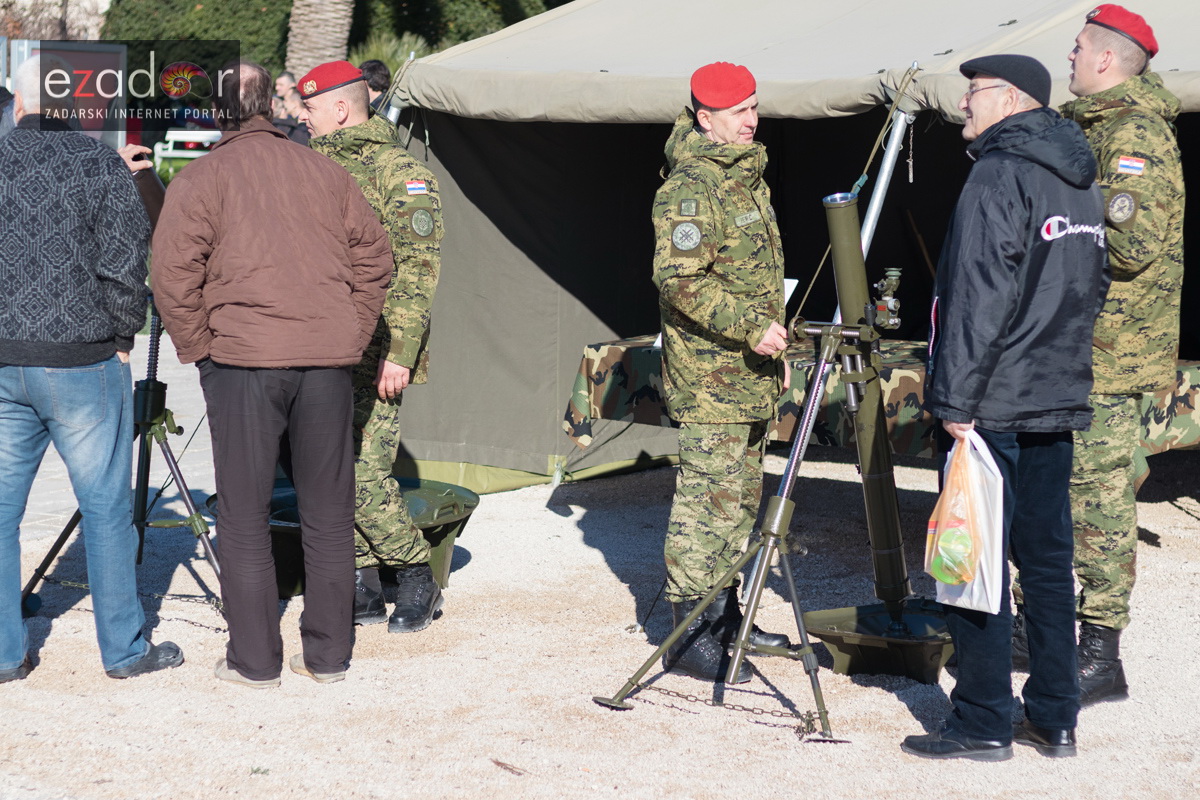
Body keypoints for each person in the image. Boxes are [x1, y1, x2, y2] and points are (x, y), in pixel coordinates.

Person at [151, 61, 394, 687]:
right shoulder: (325, 171)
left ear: (213, 113)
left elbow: (171, 278)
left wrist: (202, 350)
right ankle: (329, 657)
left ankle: (255, 662)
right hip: (322, 360)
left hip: (244, 361)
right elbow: (375, 257)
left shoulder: (201, 179)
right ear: (275, 105)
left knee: (242, 514)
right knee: (328, 510)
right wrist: (351, 330)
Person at [901, 55, 1109, 761]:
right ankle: (1055, 716)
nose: (963, 102)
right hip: (1056, 392)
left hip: (994, 400)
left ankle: (982, 720)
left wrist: (953, 396)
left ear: (1011, 99)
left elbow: (974, 296)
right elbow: (1092, 287)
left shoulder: (999, 171)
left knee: (970, 559)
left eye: (975, 91)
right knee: (1048, 561)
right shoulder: (1078, 175)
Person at [0, 55, 183, 681]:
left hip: (2, 361)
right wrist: (123, 332)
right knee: (106, 507)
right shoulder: (98, 164)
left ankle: (3, 654)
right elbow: (127, 264)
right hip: (83, 362)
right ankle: (125, 651)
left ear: (19, 105)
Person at [1058, 4, 1184, 706]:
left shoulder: (1134, 136)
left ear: (1106, 60)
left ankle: (1102, 651)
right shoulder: (1093, 129)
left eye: (1078, 49)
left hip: (1111, 352)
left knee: (1098, 500)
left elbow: (1131, 245)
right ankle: (1036, 627)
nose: (1070, 59)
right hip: (1075, 348)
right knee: (1054, 489)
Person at [651, 61, 791, 684]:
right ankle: (689, 632)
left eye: (754, 108)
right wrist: (750, 329)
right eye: (739, 113)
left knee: (738, 505)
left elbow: (758, 277)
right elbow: (681, 282)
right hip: (711, 378)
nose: (751, 121)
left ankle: (725, 613)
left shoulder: (747, 180)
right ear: (705, 119)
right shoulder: (689, 188)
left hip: (752, 374)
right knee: (705, 506)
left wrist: (776, 352)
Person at [297, 61, 444, 634]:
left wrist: (402, 350)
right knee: (322, 467)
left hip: (376, 351)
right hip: (313, 345)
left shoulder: (401, 174)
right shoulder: (306, 168)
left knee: (361, 471)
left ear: (339, 108)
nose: (299, 118)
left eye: (308, 109)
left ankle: (413, 572)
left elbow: (419, 269)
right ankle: (359, 580)